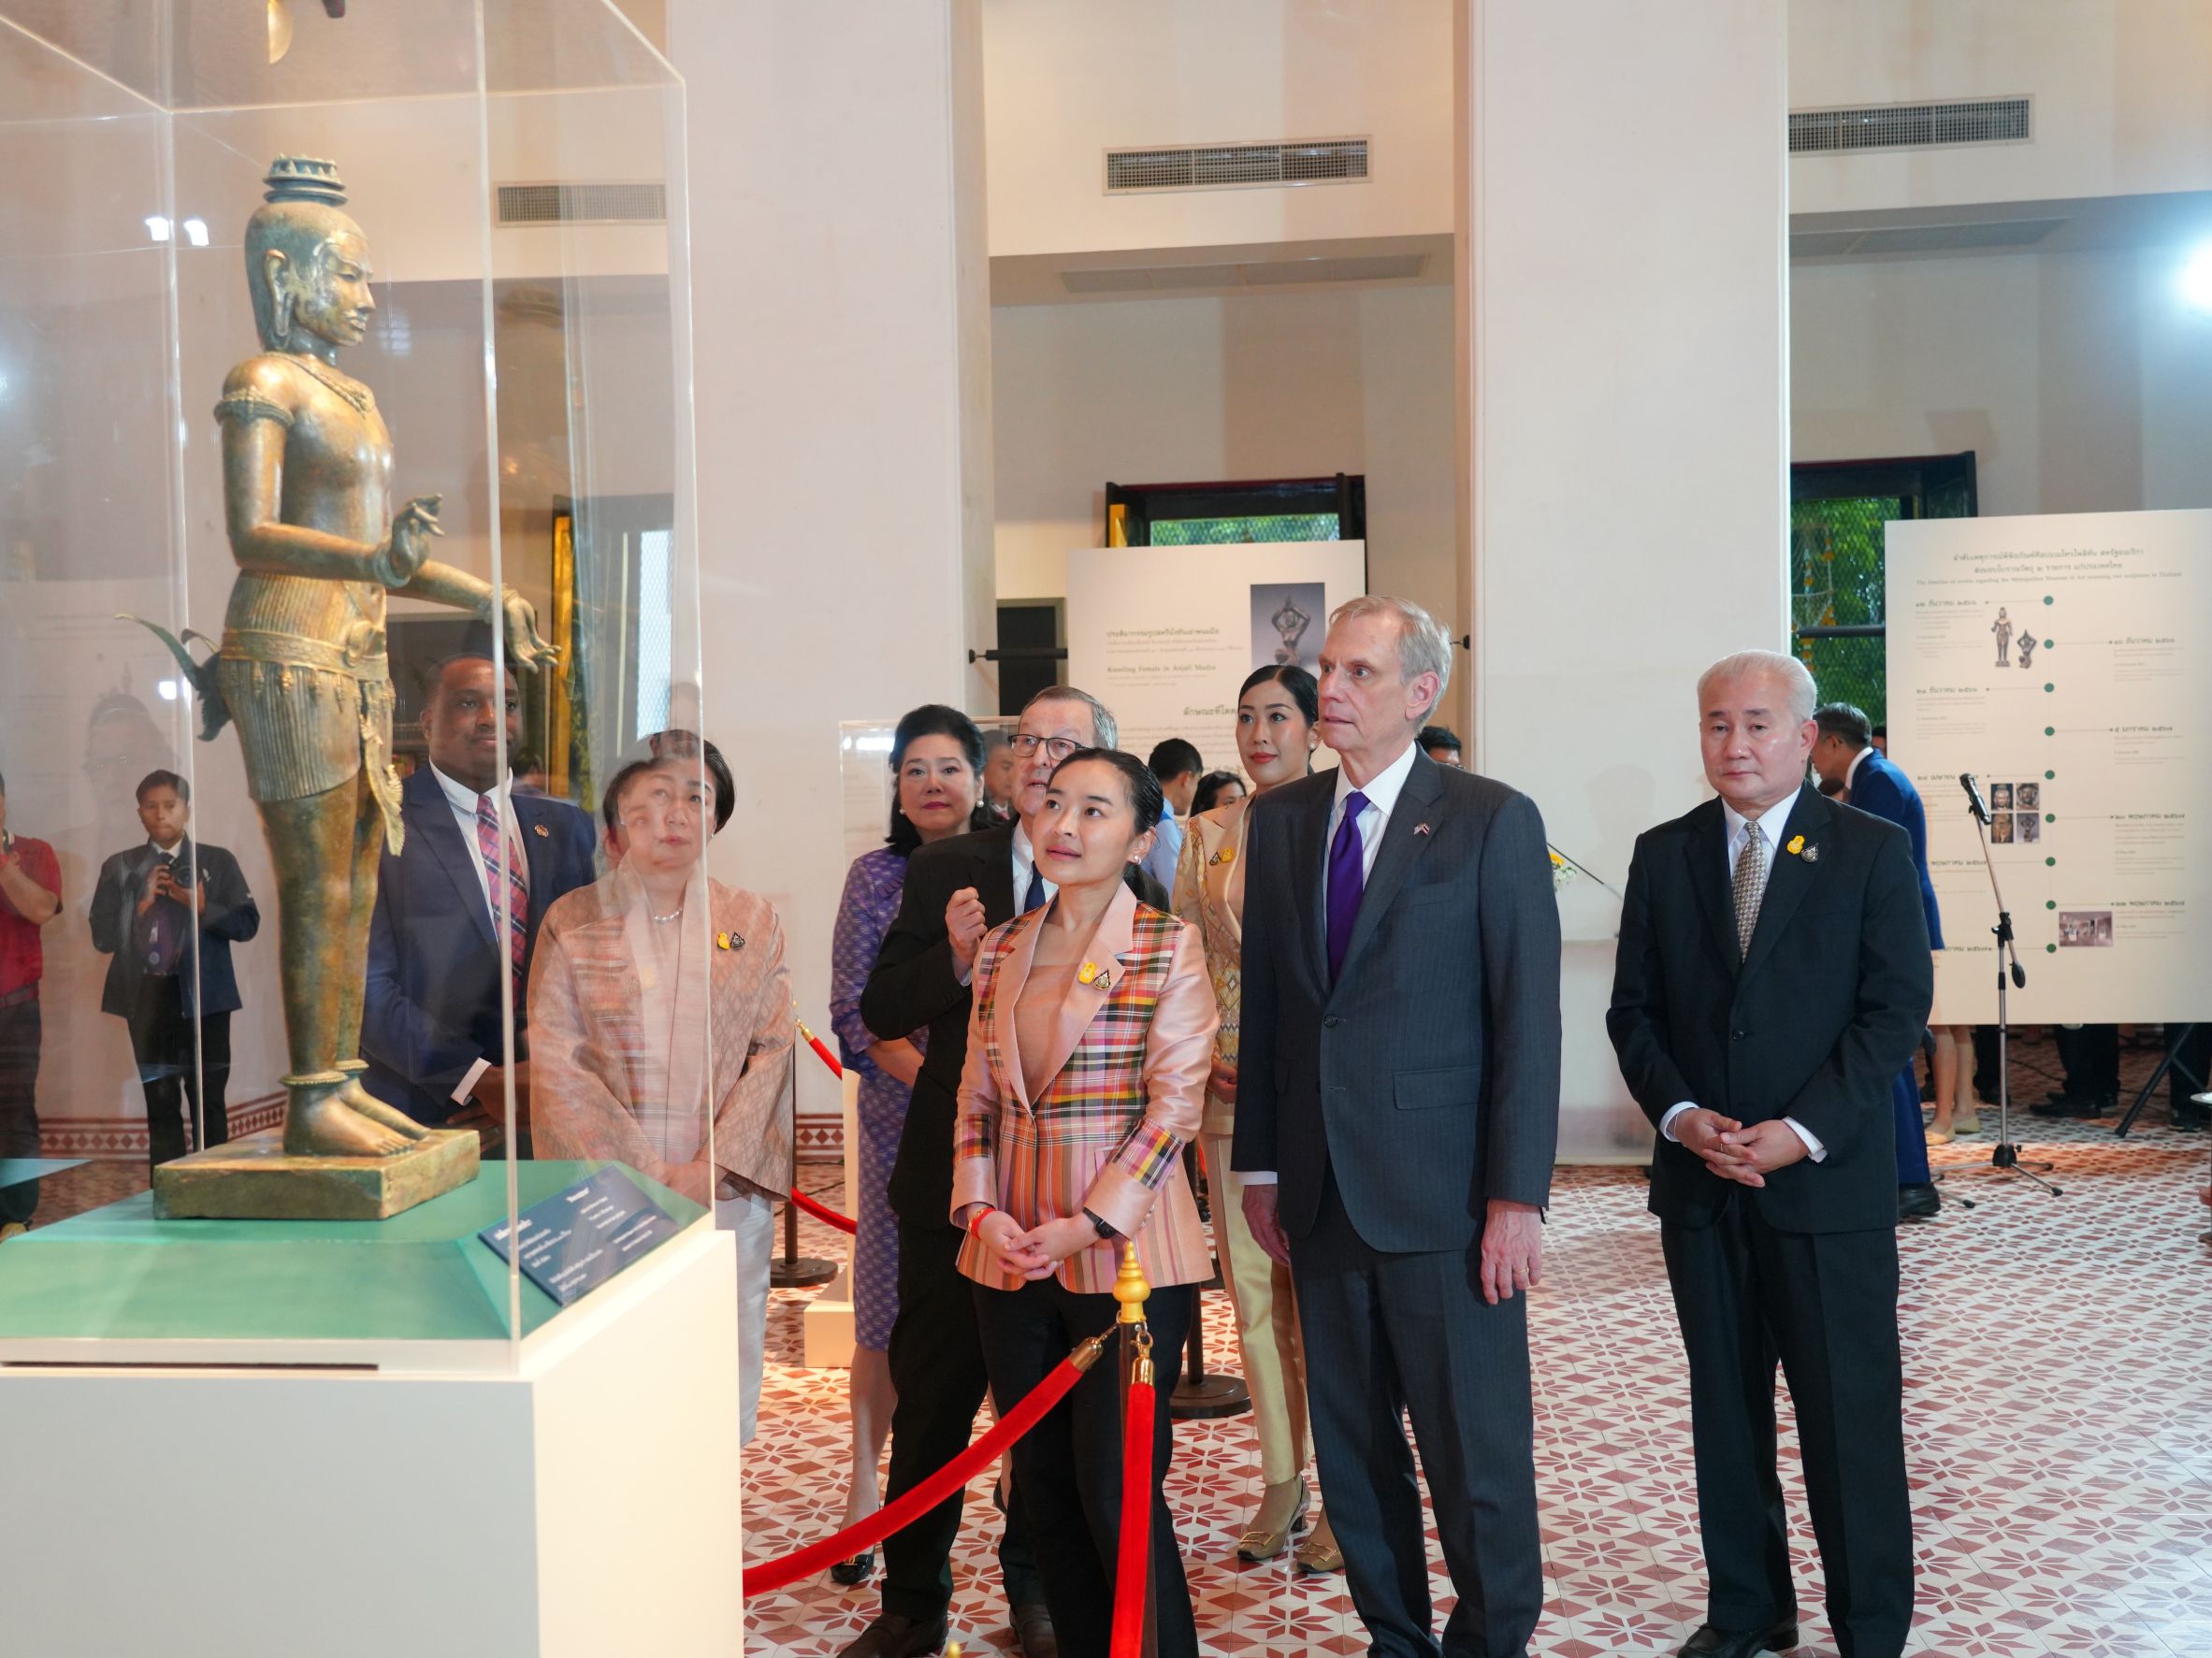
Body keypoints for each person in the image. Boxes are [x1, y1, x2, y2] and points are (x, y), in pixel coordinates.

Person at [1235, 596, 1562, 1658]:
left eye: (1358, 673)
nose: (1327, 689)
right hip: (1320, 1191)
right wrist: (1262, 1165)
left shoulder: (1488, 817)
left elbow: (1527, 1021)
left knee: (1474, 1454)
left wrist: (1516, 1198)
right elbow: (1274, 1007)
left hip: (1446, 1197)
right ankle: (1395, 1637)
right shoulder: (1283, 820)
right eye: (1326, 669)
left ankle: (1491, 1640)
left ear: (1422, 692)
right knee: (1354, 1448)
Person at [1608, 650, 1930, 1658]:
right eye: (1716, 724)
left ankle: (1868, 1624)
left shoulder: (1869, 848)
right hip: (1702, 1187)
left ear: (1804, 737)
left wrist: (1802, 1130)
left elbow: (1893, 1013)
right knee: (1725, 1410)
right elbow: (1633, 1012)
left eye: (1756, 724)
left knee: (1847, 1416)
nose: (1735, 744)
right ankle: (1749, 1607)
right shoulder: (1663, 853)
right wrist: (1680, 1115)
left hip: (1825, 1189)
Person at [846, 685, 1166, 1658]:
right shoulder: (948, 867)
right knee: (934, 1404)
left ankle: (1039, 1594)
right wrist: (953, 955)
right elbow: (879, 1007)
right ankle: (912, 1604)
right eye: (1026, 742)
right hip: (958, 1193)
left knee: (1051, 1418)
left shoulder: (1137, 898)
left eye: (1063, 747)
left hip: (1072, 1211)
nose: (1038, 762)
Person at [957, 748, 1216, 1658]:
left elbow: (1173, 1107)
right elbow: (975, 1099)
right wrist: (981, 1212)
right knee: (1042, 1488)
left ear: (1141, 838)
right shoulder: (1002, 946)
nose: (1065, 825)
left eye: (1095, 810)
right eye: (1054, 804)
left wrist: (1089, 1222)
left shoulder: (1166, 944)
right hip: (1009, 1252)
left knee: (1117, 1489)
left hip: (1127, 1256)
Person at [530, 753, 792, 1442]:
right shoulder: (573, 918)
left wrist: (710, 1166)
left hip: (722, 1185)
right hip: (606, 1183)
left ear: (716, 817)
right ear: (619, 821)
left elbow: (772, 1049)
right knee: (614, 1358)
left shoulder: (751, 916)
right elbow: (558, 1060)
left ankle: (715, 1494)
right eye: (654, 798)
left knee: (723, 1352)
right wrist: (640, 1172)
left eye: (695, 798)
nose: (674, 816)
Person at [1173, 665, 1339, 1572]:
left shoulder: (1339, 822)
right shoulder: (1205, 836)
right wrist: (1205, 1052)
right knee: (1249, 1290)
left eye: (1278, 715)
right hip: (1226, 1090)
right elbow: (1184, 960)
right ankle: (1282, 1477)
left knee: (1323, 1297)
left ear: (1313, 726)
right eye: (1245, 717)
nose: (1259, 733)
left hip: (1315, 1095)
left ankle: (1346, 1489)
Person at [828, 704, 990, 1585]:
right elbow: (856, 1011)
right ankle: (866, 1487)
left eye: (949, 767)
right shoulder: (876, 875)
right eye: (914, 769)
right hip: (904, 1121)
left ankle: (1004, 1476)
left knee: (995, 1305)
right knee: (887, 1309)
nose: (932, 783)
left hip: (1002, 1126)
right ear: (895, 786)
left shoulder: (1009, 863)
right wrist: (941, 1086)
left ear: (980, 778)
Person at [361, 650, 596, 1141]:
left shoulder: (566, 826)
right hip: (426, 1113)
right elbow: (365, 987)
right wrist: (478, 1080)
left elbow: (590, 970)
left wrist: (545, 1075)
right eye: (469, 703)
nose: (492, 718)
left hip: (549, 1104)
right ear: (428, 721)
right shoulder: (378, 826)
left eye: (507, 704)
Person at [1810, 702, 1945, 1218]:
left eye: (1814, 745)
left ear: (1833, 742)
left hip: (1890, 930)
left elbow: (1868, 864)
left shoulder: (1880, 781)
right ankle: (1899, 1175)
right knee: (1886, 1052)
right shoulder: (1871, 777)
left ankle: (1910, 1178)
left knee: (1889, 1050)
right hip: (1886, 926)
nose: (1813, 759)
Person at [88, 771, 260, 1171]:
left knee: (209, 1098)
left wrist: (201, 906)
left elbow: (247, 925)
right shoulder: (120, 866)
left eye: (170, 805)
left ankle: (212, 1187)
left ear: (187, 810)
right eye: (151, 806)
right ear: (139, 813)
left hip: (206, 999)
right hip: (147, 1001)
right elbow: (102, 937)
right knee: (160, 1101)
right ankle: (167, 1192)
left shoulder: (215, 861)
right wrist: (140, 904)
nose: (160, 814)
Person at [0, 771, 63, 1240]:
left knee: (14, 1112)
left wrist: (5, 866)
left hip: (15, 1008)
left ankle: (14, 1217)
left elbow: (40, 909)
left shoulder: (35, 852)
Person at [1141, 738, 1202, 892]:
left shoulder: (1141, 812)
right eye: (1197, 782)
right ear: (1186, 778)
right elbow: (1177, 895)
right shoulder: (1163, 825)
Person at [980, 728, 1017, 823]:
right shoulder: (971, 819)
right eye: (1006, 767)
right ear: (982, 768)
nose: (1013, 775)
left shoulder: (1019, 815)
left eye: (1017, 768)